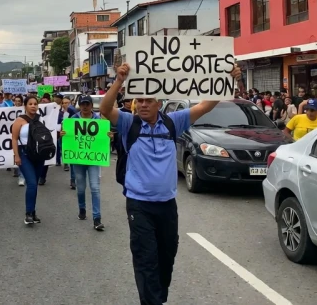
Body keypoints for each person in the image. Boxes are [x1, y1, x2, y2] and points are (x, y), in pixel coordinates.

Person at [100, 62, 242, 305]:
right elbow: (104, 109)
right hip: (139, 205)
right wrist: (119, 81)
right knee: (146, 258)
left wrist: (229, 79)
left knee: (166, 257)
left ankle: (158, 298)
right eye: (139, 100)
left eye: (148, 100)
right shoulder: (128, 123)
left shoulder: (173, 122)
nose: (143, 104)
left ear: (159, 104)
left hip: (167, 205)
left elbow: (206, 106)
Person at [59, 95, 110, 231]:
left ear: (91, 105)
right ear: (79, 106)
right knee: (81, 188)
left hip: (93, 159)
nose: (85, 106)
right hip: (78, 159)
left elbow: (104, 141)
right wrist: (62, 135)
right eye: (83, 104)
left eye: (87, 104)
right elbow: (65, 141)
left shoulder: (99, 120)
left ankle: (97, 218)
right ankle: (82, 209)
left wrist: (109, 136)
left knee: (95, 187)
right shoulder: (73, 120)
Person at [12, 96, 46, 225]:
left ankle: (33, 212)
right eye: (30, 104)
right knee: (31, 183)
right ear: (25, 106)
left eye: (35, 104)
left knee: (35, 184)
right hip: (25, 154)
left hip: (38, 155)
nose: (33, 106)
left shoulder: (40, 120)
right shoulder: (20, 121)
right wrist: (17, 156)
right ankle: (28, 214)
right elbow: (14, 139)